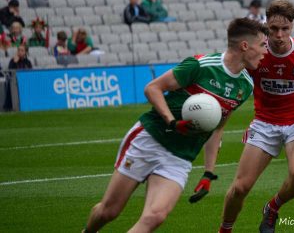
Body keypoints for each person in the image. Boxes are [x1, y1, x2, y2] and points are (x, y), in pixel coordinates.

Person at [82, 17, 268, 233]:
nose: (266, 51)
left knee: (155, 216)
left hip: (180, 158)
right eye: (263, 45)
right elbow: (152, 88)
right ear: (245, 46)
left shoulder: (245, 86)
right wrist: (172, 122)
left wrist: (208, 173)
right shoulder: (199, 66)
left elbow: (217, 128)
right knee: (109, 211)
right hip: (150, 138)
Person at [218, 0, 294, 233]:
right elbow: (231, 86)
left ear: (292, 26)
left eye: (285, 28)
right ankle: (224, 229)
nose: (279, 35)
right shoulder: (256, 54)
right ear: (266, 25)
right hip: (264, 123)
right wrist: (218, 128)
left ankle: (272, 208)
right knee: (240, 188)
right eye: (273, 29)